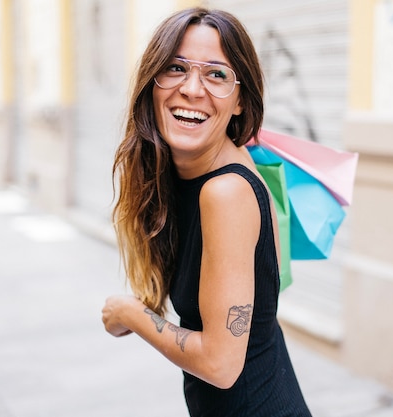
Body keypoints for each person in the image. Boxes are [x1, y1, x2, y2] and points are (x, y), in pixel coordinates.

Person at [102, 7, 312, 416]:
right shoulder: (192, 173)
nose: (192, 89)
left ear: (239, 101)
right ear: (152, 81)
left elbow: (220, 364)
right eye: (176, 67)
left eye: (216, 75)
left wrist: (130, 312)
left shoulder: (225, 192)